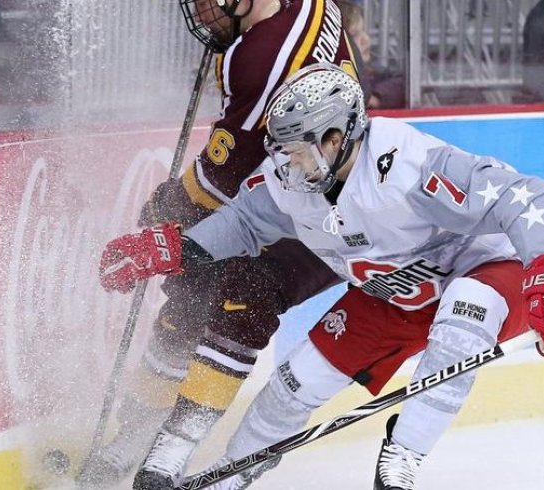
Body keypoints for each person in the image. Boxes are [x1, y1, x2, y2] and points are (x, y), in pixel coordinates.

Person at [99, 63, 544, 490]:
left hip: (482, 271)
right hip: (395, 291)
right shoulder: (297, 182)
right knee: (294, 385)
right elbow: (247, 222)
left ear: (336, 138)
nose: (286, 165)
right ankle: (233, 472)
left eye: (297, 151)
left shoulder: (408, 166)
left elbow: (523, 195)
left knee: (466, 314)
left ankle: (404, 454)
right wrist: (179, 247)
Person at [79, 0, 359, 487]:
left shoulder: (262, 55)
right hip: (276, 190)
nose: (203, 8)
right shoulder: (304, 8)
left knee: (245, 294)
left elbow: (221, 177)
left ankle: (175, 443)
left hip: (332, 212)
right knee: (191, 288)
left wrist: (173, 205)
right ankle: (138, 429)